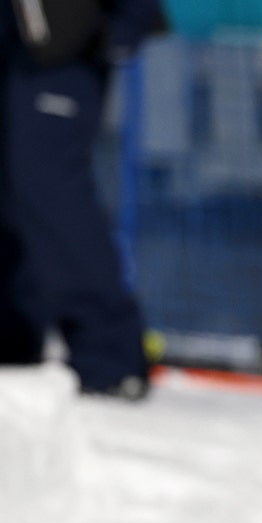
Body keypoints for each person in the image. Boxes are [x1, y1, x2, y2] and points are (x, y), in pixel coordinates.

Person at [0, 0, 164, 399]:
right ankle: (13, 335)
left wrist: (118, 28)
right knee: (11, 192)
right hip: (17, 36)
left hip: (61, 40)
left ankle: (109, 354)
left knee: (49, 191)